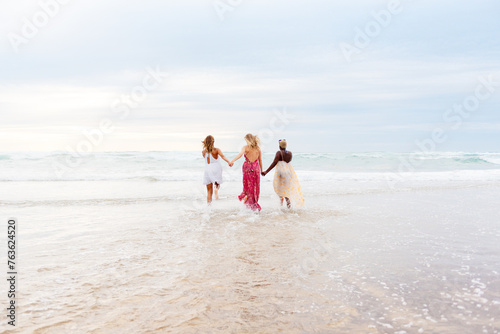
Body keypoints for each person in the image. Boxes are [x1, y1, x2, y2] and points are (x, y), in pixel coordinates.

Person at [262, 139, 304, 208]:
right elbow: (288, 161)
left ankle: (280, 205)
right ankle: (288, 208)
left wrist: (266, 171)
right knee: (286, 190)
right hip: (288, 172)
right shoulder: (290, 153)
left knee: (279, 189)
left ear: (279, 146)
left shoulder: (279, 152)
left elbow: (274, 162)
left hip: (281, 173)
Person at [230, 133, 263, 211]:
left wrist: (232, 161)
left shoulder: (245, 148)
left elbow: (240, 155)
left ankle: (247, 203)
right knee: (255, 186)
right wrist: (261, 170)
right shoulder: (258, 148)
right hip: (256, 168)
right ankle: (253, 204)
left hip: (247, 167)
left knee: (247, 186)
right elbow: (260, 160)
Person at [202, 135, 231, 204]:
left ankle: (209, 206)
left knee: (209, 190)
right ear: (213, 142)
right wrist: (229, 162)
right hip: (216, 168)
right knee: (217, 183)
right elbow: (223, 156)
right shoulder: (216, 150)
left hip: (207, 170)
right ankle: (216, 188)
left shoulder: (203, 151)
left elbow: (206, 159)